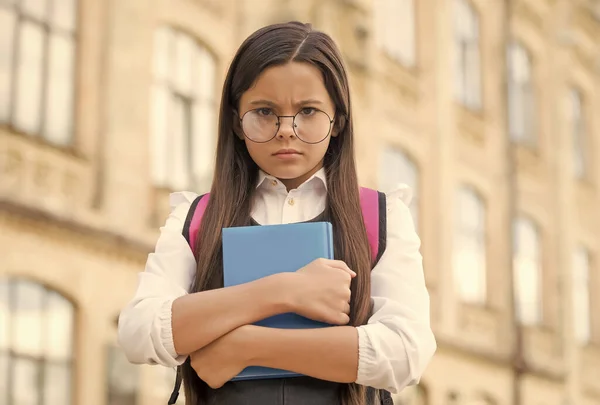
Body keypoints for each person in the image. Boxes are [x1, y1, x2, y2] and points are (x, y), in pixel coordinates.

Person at [117, 21, 436, 405]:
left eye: (308, 111)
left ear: (339, 121)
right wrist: (285, 291)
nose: (287, 129)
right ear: (237, 121)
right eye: (265, 111)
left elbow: (405, 353)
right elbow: (138, 331)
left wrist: (246, 346)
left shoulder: (381, 216)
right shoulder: (195, 217)